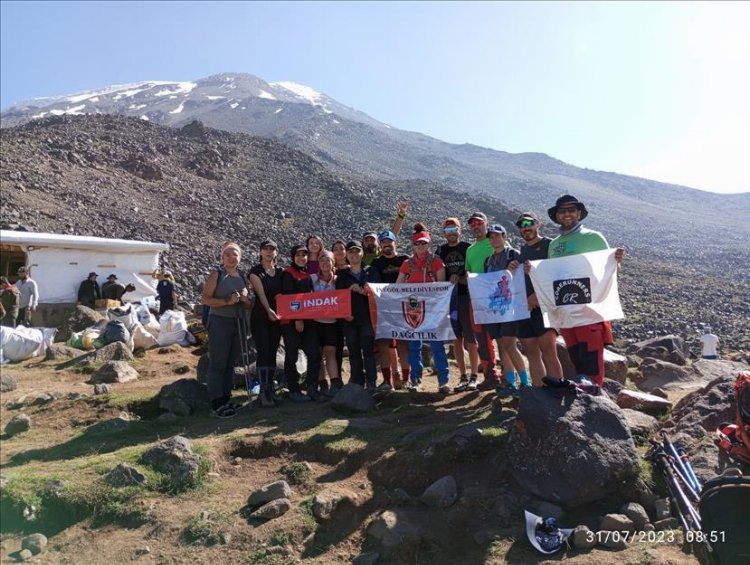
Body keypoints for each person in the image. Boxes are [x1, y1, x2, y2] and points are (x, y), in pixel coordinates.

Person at [545, 194, 624, 388]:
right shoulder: (554, 245)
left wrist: (616, 261)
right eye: (562, 211)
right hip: (565, 308)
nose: (567, 214)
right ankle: (582, 385)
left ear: (579, 213)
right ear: (556, 215)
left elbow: (610, 270)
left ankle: (594, 389)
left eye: (571, 210)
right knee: (574, 349)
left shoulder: (593, 237)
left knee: (590, 348)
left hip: (588, 307)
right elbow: (550, 275)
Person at [201, 241, 253, 417]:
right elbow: (206, 299)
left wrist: (245, 301)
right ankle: (217, 402)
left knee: (231, 362)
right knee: (218, 362)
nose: (232, 257)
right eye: (228, 254)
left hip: (237, 321)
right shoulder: (217, 274)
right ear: (222, 257)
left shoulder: (243, 276)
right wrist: (226, 302)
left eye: (235, 254)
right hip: (219, 321)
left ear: (240, 257)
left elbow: (248, 306)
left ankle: (226, 398)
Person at [396, 223, 450, 393]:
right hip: (414, 309)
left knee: (437, 344)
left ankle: (443, 381)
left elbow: (442, 286)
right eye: (417, 244)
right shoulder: (407, 264)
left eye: (423, 243)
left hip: (433, 309)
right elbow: (397, 286)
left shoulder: (436, 262)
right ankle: (415, 380)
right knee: (414, 345)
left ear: (429, 244)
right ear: (413, 245)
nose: (420, 246)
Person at [514, 213, 563, 385]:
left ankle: (557, 388)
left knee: (548, 350)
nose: (525, 227)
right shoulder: (522, 251)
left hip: (545, 307)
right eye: (521, 225)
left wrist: (538, 294)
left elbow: (559, 273)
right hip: (526, 308)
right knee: (531, 352)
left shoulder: (550, 245)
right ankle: (538, 392)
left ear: (538, 224)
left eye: (529, 223)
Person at [484, 224, 530, 398]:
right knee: (502, 346)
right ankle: (511, 382)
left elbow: (525, 274)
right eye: (491, 236)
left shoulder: (513, 254)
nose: (494, 239)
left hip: (511, 309)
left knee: (510, 344)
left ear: (504, 236)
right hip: (495, 309)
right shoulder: (488, 260)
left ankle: (525, 383)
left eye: (497, 235)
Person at [436, 217, 480, 392]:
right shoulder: (441, 250)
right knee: (456, 338)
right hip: (449, 300)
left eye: (454, 229)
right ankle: (462, 376)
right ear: (443, 233)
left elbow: (471, 271)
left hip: (466, 297)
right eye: (447, 231)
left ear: (460, 231)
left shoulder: (467, 248)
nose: (451, 233)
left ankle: (474, 376)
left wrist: (461, 279)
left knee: (471, 338)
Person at [336, 241, 381, 389]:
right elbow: (337, 297)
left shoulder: (372, 271)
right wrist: (345, 313)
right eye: (351, 252)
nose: (354, 255)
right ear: (347, 255)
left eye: (357, 251)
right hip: (349, 319)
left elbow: (378, 292)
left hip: (367, 318)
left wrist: (362, 291)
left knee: (368, 351)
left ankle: (372, 382)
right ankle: (357, 381)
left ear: (362, 253)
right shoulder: (341, 275)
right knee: (353, 352)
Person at [280, 244, 323, 402]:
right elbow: (290, 298)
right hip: (292, 322)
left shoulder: (306, 273)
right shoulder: (288, 274)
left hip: (308, 321)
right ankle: (293, 390)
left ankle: (312, 387)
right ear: (292, 257)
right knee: (291, 356)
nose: (301, 258)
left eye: (304, 255)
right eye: (298, 255)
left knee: (314, 354)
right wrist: (297, 318)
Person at [464, 212, 500, 389]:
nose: (476, 226)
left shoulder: (495, 242)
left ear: (486, 223)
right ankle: (490, 376)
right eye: (472, 224)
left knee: (501, 338)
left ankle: (509, 378)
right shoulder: (470, 250)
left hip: (498, 298)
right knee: (482, 339)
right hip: (477, 300)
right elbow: (468, 274)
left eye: (479, 223)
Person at [371, 230, 410, 389]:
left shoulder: (405, 260)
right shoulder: (376, 263)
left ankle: (406, 380)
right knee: (383, 345)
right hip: (384, 308)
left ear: (396, 242)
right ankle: (388, 381)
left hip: (403, 307)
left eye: (389, 241)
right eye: (383, 242)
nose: (387, 244)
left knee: (403, 344)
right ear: (380, 245)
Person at [248, 239, 284, 407]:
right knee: (263, 350)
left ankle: (270, 388)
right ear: (260, 252)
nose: (269, 252)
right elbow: (260, 293)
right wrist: (269, 309)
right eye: (266, 249)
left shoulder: (281, 271)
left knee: (272, 350)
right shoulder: (255, 272)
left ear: (276, 252)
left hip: (278, 317)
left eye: (272, 249)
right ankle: (263, 390)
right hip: (261, 316)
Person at [310, 250, 343, 397]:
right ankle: (322, 383)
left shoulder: (338, 279)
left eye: (328, 260)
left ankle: (335, 383)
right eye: (321, 260)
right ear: (318, 263)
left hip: (332, 322)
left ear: (332, 263)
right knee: (317, 354)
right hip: (315, 322)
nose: (324, 263)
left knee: (330, 352)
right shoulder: (311, 279)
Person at [362, 201, 409, 266]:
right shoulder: (360, 256)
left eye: (372, 240)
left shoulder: (383, 251)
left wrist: (401, 214)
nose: (370, 242)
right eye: (367, 240)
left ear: (378, 242)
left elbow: (394, 233)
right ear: (363, 243)